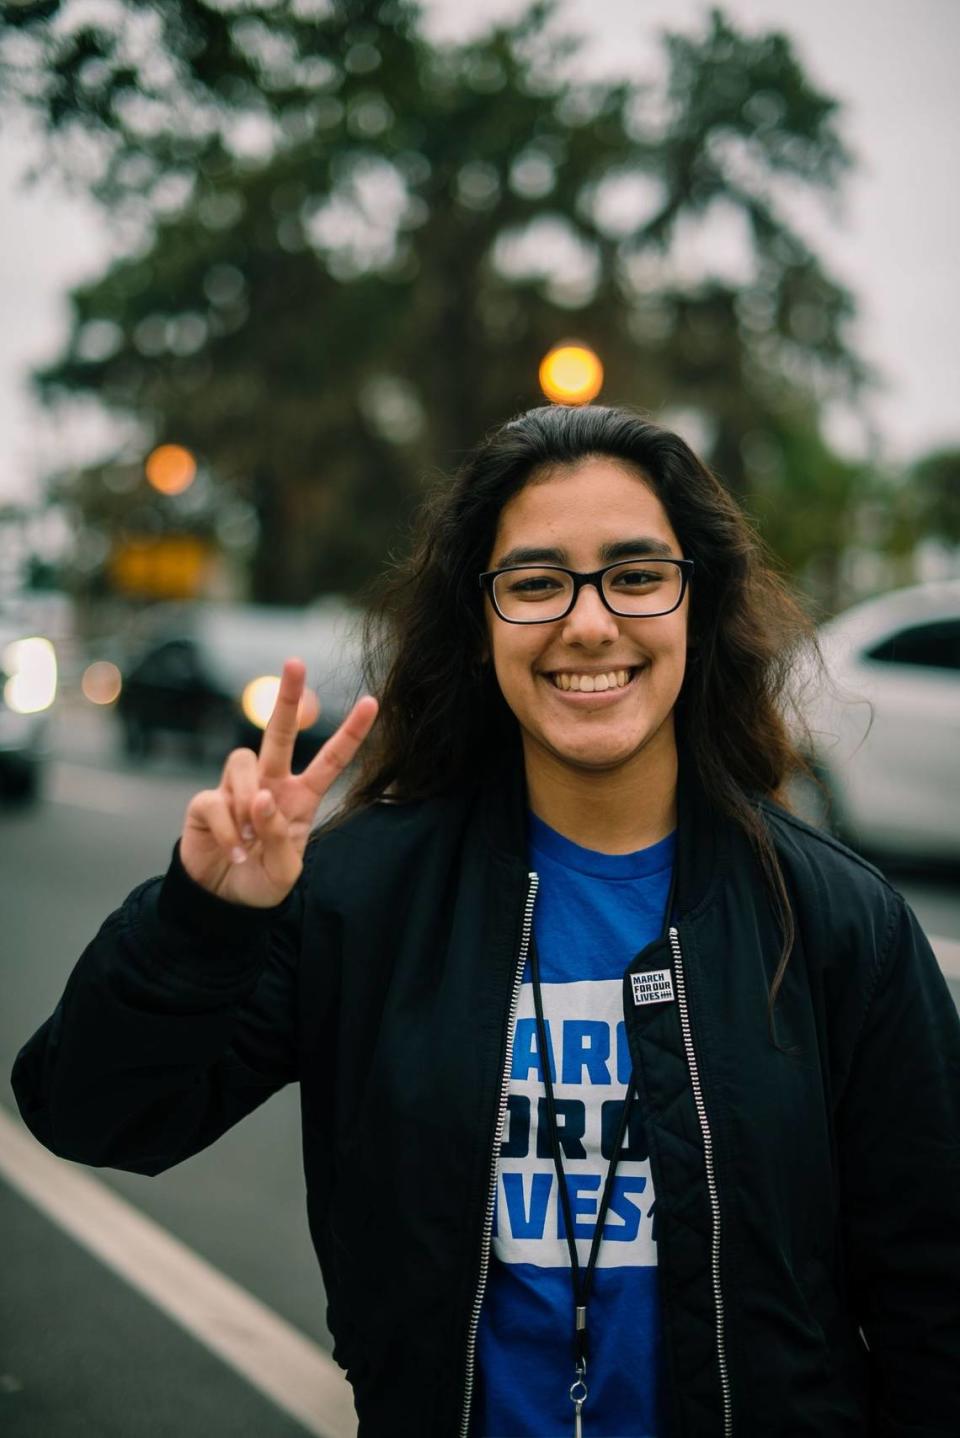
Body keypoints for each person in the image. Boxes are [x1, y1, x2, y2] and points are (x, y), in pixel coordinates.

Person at [12, 404, 960, 1438]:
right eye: (537, 582)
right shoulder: (359, 897)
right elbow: (87, 1112)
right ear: (480, 624)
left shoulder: (835, 923)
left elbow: (934, 1306)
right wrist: (203, 922)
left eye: (637, 575)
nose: (589, 622)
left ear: (698, 603)